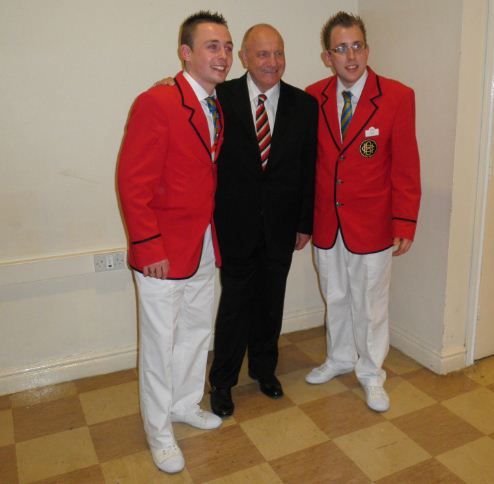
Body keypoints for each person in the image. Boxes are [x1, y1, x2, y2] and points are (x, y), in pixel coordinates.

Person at [117, 11, 233, 474]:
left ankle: (185, 402)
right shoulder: (157, 101)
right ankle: (158, 428)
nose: (222, 55)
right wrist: (148, 247)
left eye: (226, 45)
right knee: (160, 341)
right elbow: (132, 182)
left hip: (204, 242)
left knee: (196, 330)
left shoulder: (213, 103)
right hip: (163, 250)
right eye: (211, 46)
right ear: (186, 52)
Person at [305, 12, 421, 412]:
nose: (350, 56)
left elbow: (406, 165)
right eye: (341, 49)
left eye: (356, 46)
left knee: (371, 303)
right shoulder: (312, 97)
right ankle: (339, 358)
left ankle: (372, 373)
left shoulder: (397, 96)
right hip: (326, 222)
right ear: (327, 56)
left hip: (373, 223)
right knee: (335, 295)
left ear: (367, 49)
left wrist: (404, 219)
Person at [208, 24, 318, 417]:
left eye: (279, 53)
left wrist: (305, 222)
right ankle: (222, 382)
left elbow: (308, 169)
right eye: (263, 54)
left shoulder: (304, 106)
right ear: (244, 58)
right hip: (234, 227)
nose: (273, 63)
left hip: (281, 226)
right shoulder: (220, 98)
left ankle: (264, 370)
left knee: (272, 303)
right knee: (235, 306)